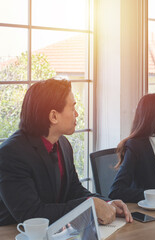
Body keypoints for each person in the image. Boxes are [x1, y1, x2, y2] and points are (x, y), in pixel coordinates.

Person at [0, 79, 133, 226]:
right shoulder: (11, 153)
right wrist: (90, 205)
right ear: (53, 116)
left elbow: (74, 190)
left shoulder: (63, 144)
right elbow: (31, 214)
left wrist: (107, 202)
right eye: (72, 108)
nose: (76, 114)